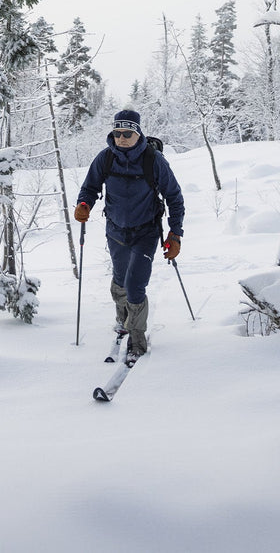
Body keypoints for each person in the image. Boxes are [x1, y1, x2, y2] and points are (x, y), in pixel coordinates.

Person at [74, 109, 185, 366]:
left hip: (146, 231)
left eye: (128, 133)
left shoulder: (153, 160)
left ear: (138, 133)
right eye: (118, 133)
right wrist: (84, 204)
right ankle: (123, 319)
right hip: (115, 230)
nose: (122, 138)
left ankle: (137, 339)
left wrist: (175, 233)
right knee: (120, 280)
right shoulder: (105, 158)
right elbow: (90, 187)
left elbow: (175, 198)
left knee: (135, 286)